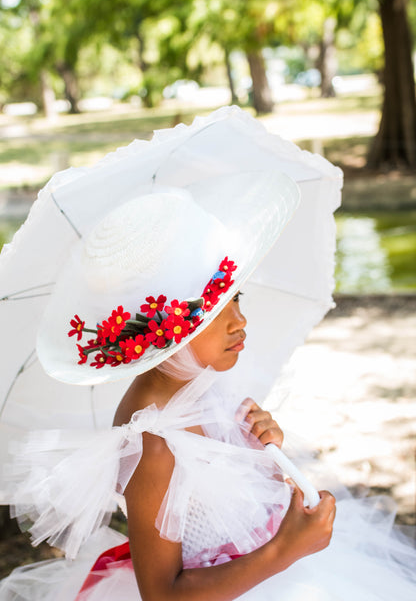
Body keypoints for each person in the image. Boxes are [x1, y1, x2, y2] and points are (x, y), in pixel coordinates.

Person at [1, 109, 415, 600]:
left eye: (235, 297)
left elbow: (232, 500)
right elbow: (163, 593)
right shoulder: (151, 446)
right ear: (165, 331)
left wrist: (265, 449)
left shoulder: (204, 385)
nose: (239, 320)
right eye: (215, 309)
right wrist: (283, 553)